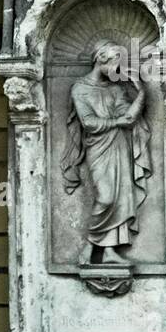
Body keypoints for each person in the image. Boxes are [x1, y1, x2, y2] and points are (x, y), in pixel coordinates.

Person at [61, 41, 151, 266]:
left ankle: (110, 251)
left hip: (120, 145)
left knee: (121, 198)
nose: (118, 70)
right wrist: (119, 121)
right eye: (116, 64)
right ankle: (89, 246)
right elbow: (89, 123)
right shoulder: (79, 89)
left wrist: (141, 93)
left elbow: (129, 118)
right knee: (106, 197)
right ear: (102, 59)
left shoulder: (116, 89)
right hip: (98, 148)